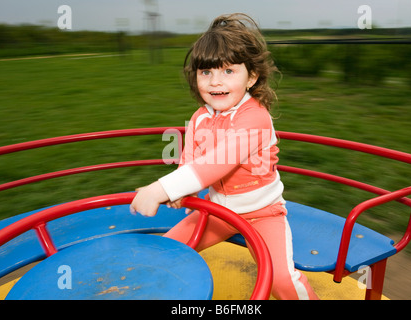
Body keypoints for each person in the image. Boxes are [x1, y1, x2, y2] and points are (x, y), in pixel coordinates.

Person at [130, 13, 318, 300]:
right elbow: (192, 161)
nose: (215, 82)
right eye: (206, 72)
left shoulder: (255, 118)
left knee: (280, 278)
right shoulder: (199, 118)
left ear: (251, 76)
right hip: (217, 212)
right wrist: (181, 191)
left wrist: (161, 188)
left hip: (262, 214)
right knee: (165, 252)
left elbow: (216, 163)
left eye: (228, 71)